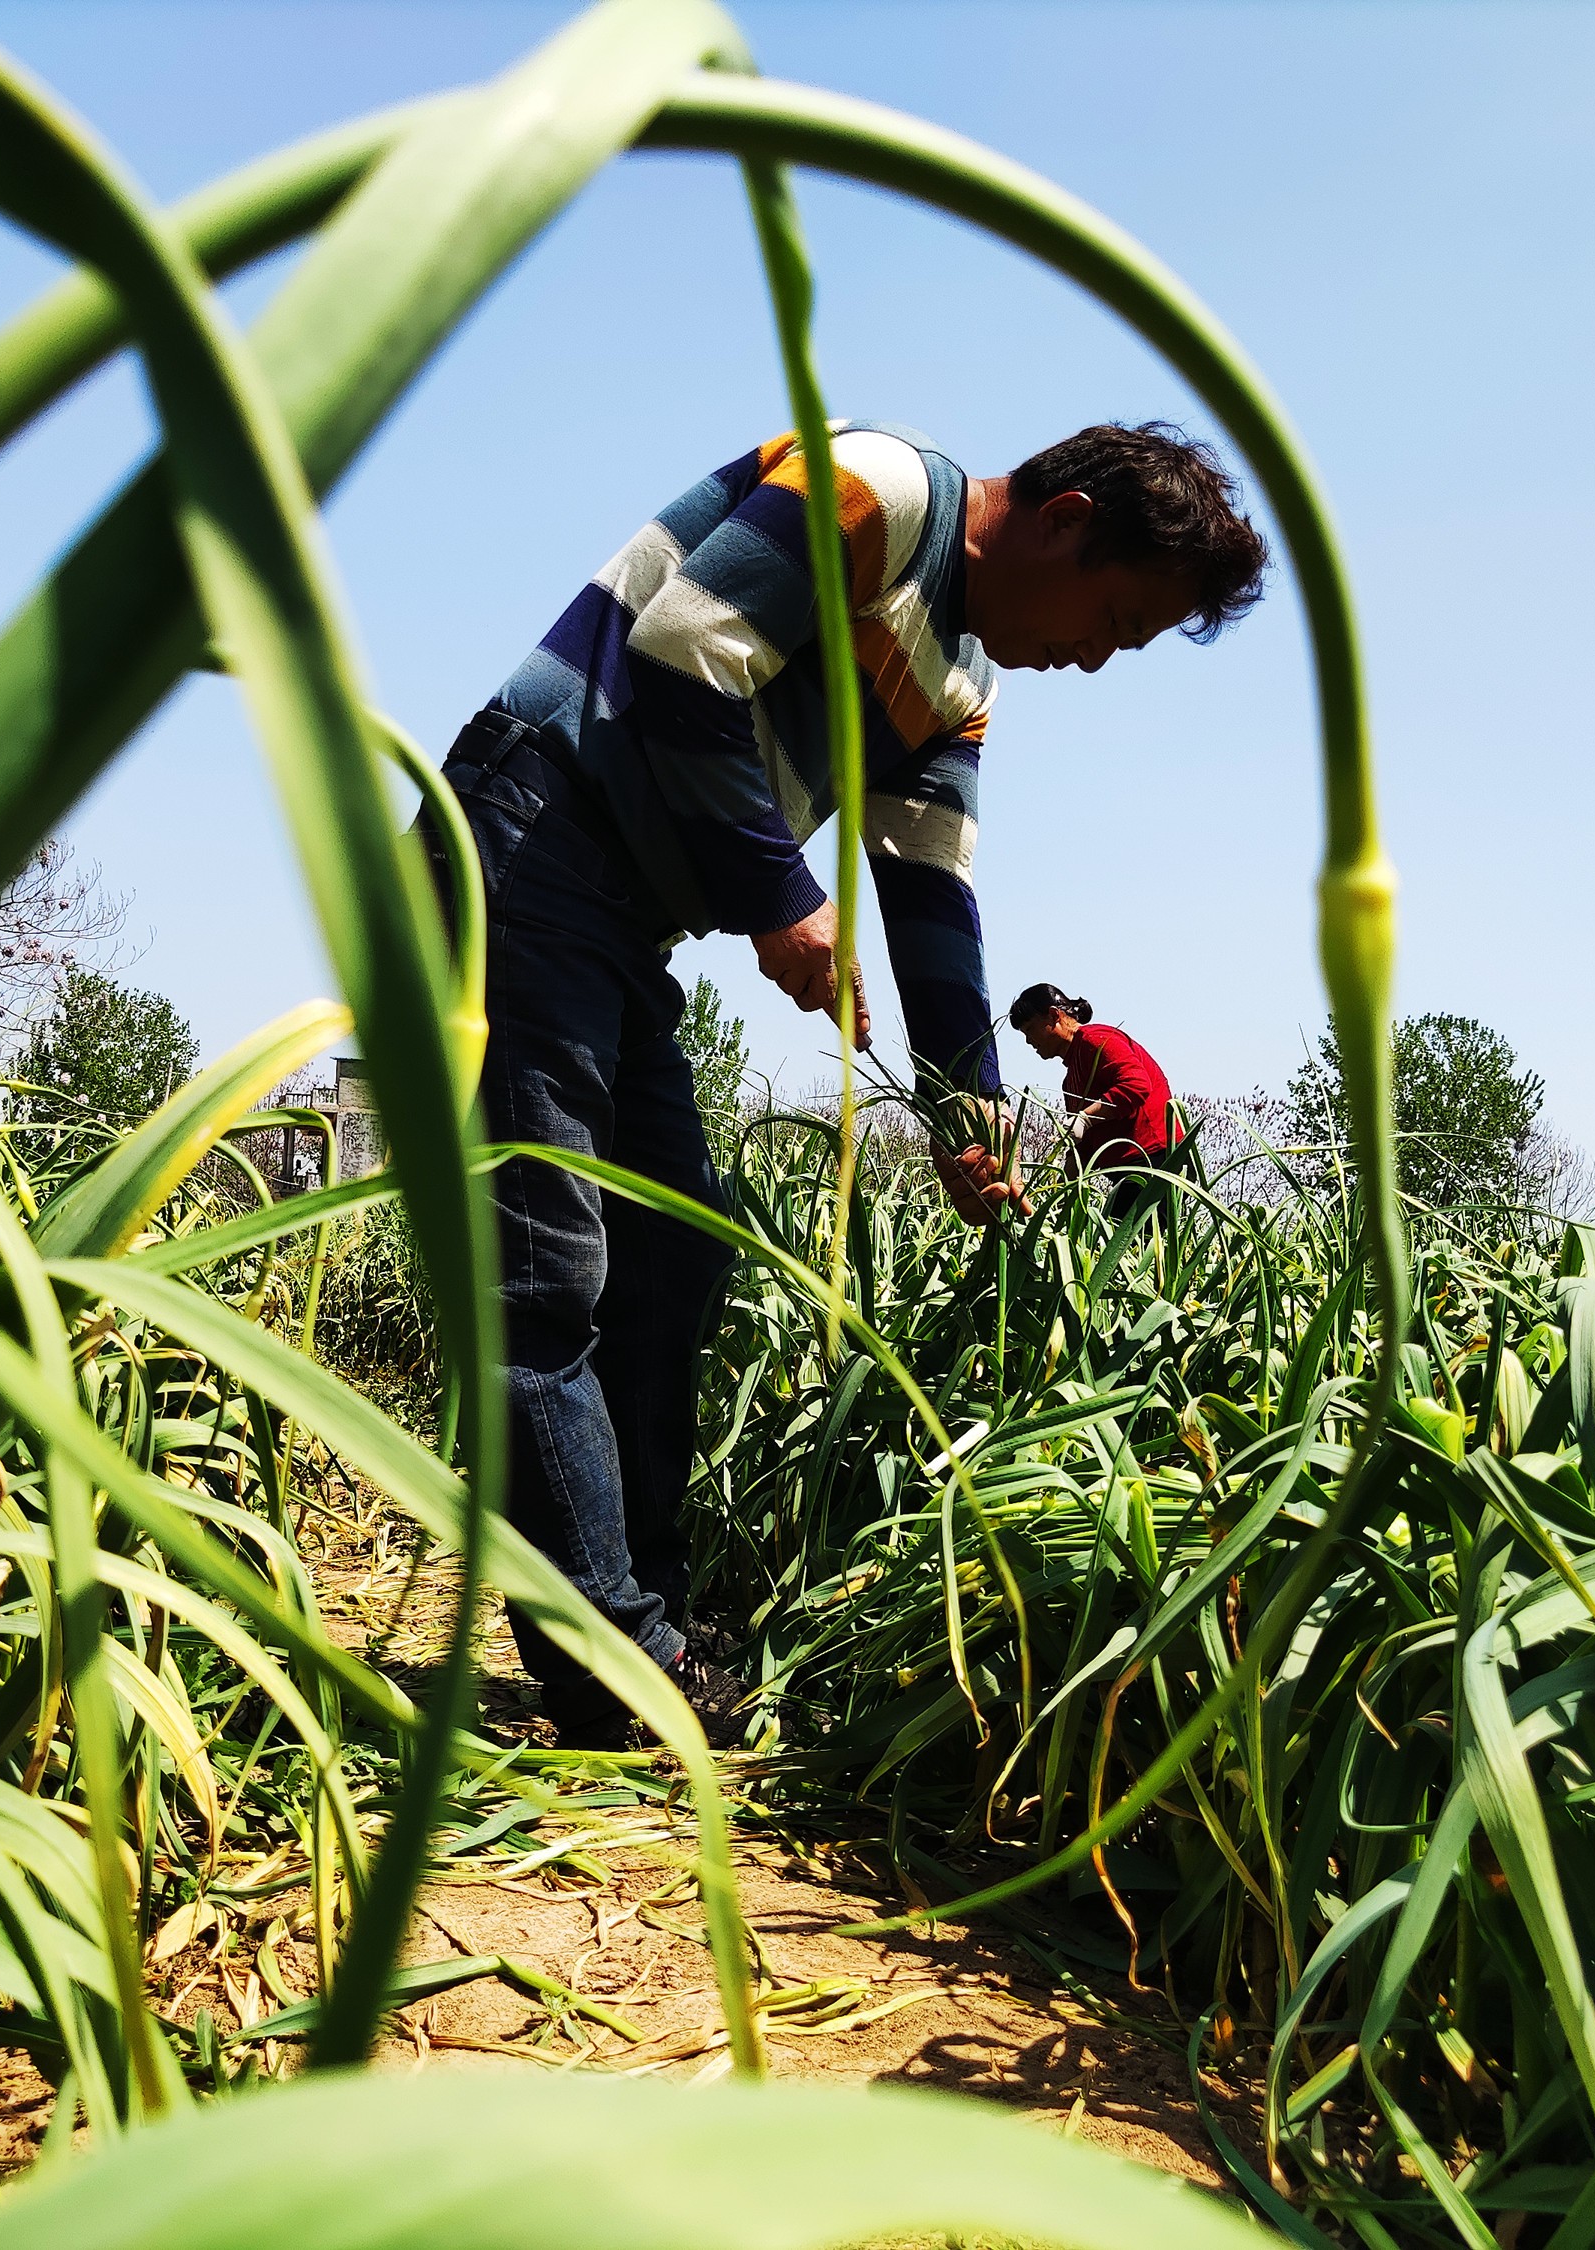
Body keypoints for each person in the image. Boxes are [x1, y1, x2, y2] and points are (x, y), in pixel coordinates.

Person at [426, 420, 1267, 1748]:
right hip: (534, 828)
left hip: (619, 908)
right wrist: (782, 898)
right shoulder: (878, 489)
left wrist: (964, 1107)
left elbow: (930, 884)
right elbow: (687, 652)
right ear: (1065, 519)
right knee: (549, 1269)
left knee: (674, 1261)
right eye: (1115, 617)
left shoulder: (965, 676)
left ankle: (650, 1624)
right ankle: (614, 1670)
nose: (1101, 655)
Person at [1009, 983, 1181, 1218]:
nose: (1029, 1041)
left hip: (1153, 1160)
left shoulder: (1096, 1039)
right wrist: (1058, 1196)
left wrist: (1085, 1119)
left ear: (1053, 1015)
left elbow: (1136, 1085)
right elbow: (1082, 1148)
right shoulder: (1070, 1081)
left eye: (1030, 1029)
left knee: (1129, 1244)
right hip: (1127, 1171)